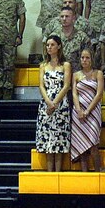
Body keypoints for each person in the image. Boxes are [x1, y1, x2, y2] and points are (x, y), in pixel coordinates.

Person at [35, 35, 71, 172]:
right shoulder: (43, 65)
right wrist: (48, 103)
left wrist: (55, 103)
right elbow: (41, 86)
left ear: (59, 46)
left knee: (59, 138)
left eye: (52, 45)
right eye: (48, 45)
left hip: (60, 104)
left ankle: (58, 173)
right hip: (46, 102)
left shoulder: (65, 65)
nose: (49, 47)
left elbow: (66, 85)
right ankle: (49, 174)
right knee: (48, 138)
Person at [70, 47, 104, 172]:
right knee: (81, 144)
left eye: (87, 58)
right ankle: (85, 174)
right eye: (82, 58)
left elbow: (99, 94)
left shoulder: (98, 73)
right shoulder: (75, 75)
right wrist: (79, 110)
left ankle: (97, 171)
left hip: (93, 112)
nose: (84, 60)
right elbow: (74, 93)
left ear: (92, 59)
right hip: (78, 112)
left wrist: (87, 111)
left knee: (93, 144)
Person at [55, 5, 92, 72]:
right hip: (59, 74)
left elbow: (89, 58)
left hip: (78, 74)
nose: (64, 19)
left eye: (67, 16)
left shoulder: (82, 37)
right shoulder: (54, 37)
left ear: (73, 18)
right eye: (62, 16)